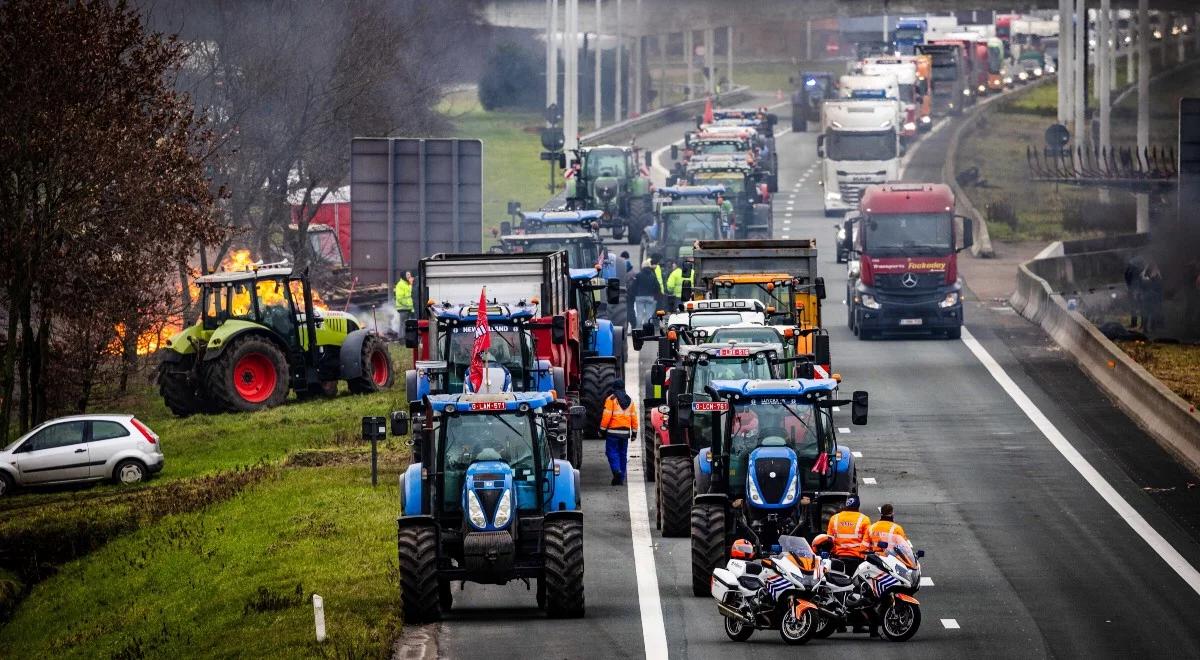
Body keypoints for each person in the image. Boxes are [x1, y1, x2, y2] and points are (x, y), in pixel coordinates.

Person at [600, 379, 639, 485]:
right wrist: (634, 433)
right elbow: (634, 417)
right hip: (625, 433)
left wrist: (602, 429)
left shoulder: (611, 399)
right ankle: (620, 479)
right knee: (623, 454)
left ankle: (616, 470)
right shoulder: (629, 401)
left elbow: (606, 416)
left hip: (613, 432)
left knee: (611, 452)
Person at [826, 496, 872, 573]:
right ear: (858, 505)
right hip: (857, 559)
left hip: (837, 557)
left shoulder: (834, 518)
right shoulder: (864, 519)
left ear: (846, 504)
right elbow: (868, 542)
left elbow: (829, 539)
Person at [632, 258, 662, 326]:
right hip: (650, 297)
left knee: (639, 314)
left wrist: (634, 295)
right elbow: (657, 286)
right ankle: (648, 330)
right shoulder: (653, 275)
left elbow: (634, 286)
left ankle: (638, 330)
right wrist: (657, 295)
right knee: (649, 315)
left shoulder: (638, 275)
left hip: (639, 297)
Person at [394, 271, 415, 335]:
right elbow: (399, 298)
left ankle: (406, 338)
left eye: (410, 274)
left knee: (406, 324)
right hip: (403, 308)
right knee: (403, 324)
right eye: (408, 274)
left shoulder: (407, 284)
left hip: (408, 308)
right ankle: (401, 338)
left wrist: (411, 284)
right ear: (403, 275)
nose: (409, 276)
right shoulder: (400, 284)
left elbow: (409, 295)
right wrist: (407, 305)